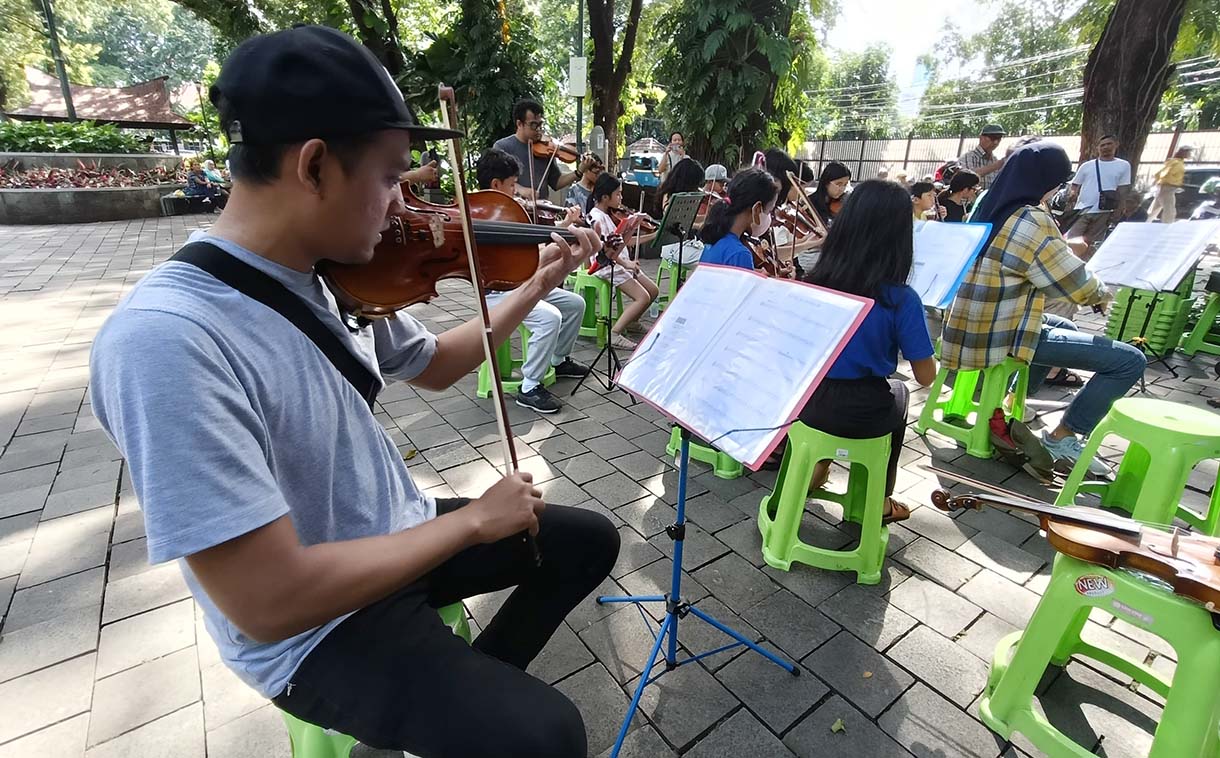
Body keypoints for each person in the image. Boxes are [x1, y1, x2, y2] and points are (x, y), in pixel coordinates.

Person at [89, 26, 618, 758]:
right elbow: (269, 603)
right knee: (551, 734)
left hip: (389, 530)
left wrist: (536, 284)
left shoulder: (333, 277)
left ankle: (448, 722)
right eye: (391, 177)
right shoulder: (168, 340)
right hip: (313, 628)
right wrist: (470, 524)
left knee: (586, 542)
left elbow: (436, 363)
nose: (408, 206)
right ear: (313, 167)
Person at [941, 142, 1146, 473]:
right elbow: (1073, 283)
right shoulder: (1032, 218)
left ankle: (1008, 407)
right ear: (1048, 180)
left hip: (970, 322)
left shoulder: (987, 204)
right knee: (1129, 360)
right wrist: (1102, 294)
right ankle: (1063, 435)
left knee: (1065, 327)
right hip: (999, 333)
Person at [801, 180, 937, 522]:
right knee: (899, 393)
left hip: (807, 402)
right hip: (861, 409)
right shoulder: (901, 299)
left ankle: (816, 467)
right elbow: (926, 375)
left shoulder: (812, 284)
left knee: (863, 397)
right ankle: (879, 497)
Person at [476, 149, 590, 412]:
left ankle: (559, 360)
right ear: (496, 185)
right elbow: (529, 257)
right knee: (549, 317)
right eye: (513, 185)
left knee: (575, 304)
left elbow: (532, 250)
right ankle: (529, 387)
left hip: (521, 283)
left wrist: (563, 227)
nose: (517, 192)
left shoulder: (509, 214)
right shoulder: (483, 217)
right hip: (498, 291)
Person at [584, 173, 660, 348]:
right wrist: (627, 264)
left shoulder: (607, 215)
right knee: (642, 297)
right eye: (618, 194)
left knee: (653, 291)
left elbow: (625, 242)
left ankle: (632, 322)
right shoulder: (596, 217)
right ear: (605, 197)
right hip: (607, 265)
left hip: (621, 263)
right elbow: (605, 249)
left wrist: (654, 235)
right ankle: (615, 333)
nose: (621, 198)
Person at [492, 99, 578, 200]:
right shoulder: (502, 147)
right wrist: (521, 190)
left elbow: (556, 182)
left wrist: (579, 172)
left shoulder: (547, 149)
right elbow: (498, 182)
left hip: (542, 210)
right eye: (533, 125)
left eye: (540, 125)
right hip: (514, 207)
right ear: (519, 124)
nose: (538, 129)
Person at [698, 167, 781, 271]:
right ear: (757, 209)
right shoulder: (740, 254)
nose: (770, 217)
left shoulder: (715, 237)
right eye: (769, 211)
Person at [1065, 134, 1131, 246]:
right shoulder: (1087, 166)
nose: (1105, 147)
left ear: (1116, 145)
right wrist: (1072, 194)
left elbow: (1123, 189)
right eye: (1102, 145)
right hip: (1082, 209)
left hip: (1104, 211)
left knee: (1092, 244)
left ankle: (1086, 263)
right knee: (1071, 241)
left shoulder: (1123, 165)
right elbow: (1075, 184)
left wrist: (1119, 209)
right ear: (1098, 148)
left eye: (1109, 144)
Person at [1149, 144, 1193, 224]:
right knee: (1169, 210)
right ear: (1184, 152)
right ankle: (1167, 226)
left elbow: (1159, 173)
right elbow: (1165, 173)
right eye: (1189, 152)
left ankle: (1145, 222)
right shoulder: (1176, 163)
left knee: (1155, 209)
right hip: (1168, 188)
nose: (1190, 154)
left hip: (1165, 187)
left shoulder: (1175, 161)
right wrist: (1171, 183)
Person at [958, 124, 1006, 190]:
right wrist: (995, 166)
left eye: (999, 138)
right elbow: (967, 178)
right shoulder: (967, 157)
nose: (995, 142)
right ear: (981, 138)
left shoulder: (995, 160)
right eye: (992, 138)